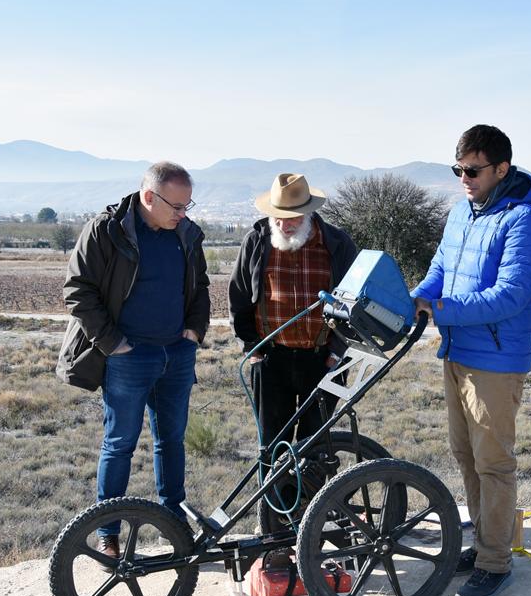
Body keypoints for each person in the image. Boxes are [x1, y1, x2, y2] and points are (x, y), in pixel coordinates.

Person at [410, 124, 531, 596]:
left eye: (473, 171)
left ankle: (495, 561)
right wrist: (416, 299)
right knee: (466, 457)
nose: (464, 179)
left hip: (494, 359)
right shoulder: (461, 213)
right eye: (459, 170)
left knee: (494, 463)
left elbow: (512, 295)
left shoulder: (527, 221)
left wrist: (443, 310)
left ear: (502, 169)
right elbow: (440, 269)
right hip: (456, 352)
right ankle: (483, 543)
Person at [57, 161, 210, 562]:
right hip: (128, 358)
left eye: (187, 205)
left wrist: (193, 331)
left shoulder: (186, 234)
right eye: (176, 205)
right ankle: (107, 532)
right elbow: (78, 290)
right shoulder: (106, 230)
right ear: (149, 197)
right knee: (120, 443)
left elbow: (201, 285)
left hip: (175, 354)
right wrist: (113, 343)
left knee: (171, 441)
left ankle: (173, 525)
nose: (182, 213)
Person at [229, 173, 358, 448]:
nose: (283, 224)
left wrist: (337, 352)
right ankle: (274, 494)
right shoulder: (257, 241)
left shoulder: (337, 243)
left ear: (309, 212)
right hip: (271, 359)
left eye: (292, 217)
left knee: (316, 445)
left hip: (324, 360)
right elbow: (238, 297)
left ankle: (314, 493)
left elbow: (355, 302)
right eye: (277, 216)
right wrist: (252, 349)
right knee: (273, 446)